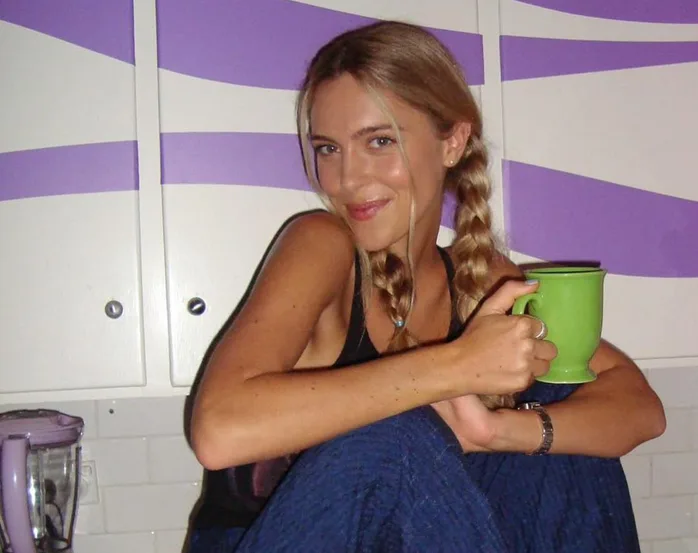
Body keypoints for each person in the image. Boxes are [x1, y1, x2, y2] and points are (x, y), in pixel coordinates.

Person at [186, 20, 666, 553]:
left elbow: (640, 407)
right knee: (397, 439)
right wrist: (457, 366)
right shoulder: (320, 243)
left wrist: (498, 432)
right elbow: (218, 432)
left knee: (560, 431)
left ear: (452, 142)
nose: (346, 180)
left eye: (380, 141)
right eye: (328, 149)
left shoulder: (480, 280)